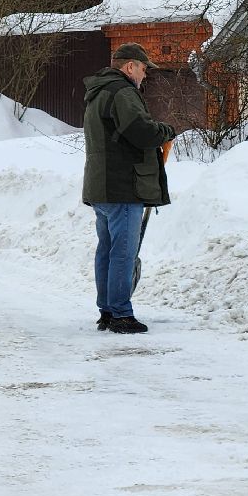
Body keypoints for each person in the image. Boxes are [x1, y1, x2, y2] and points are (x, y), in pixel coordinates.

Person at [81, 43, 176, 334]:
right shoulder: (122, 92)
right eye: (144, 69)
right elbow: (141, 131)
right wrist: (166, 130)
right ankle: (121, 314)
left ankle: (108, 311)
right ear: (130, 66)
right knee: (123, 251)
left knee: (108, 251)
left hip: (103, 185)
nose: (144, 75)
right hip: (123, 185)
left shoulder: (99, 92)